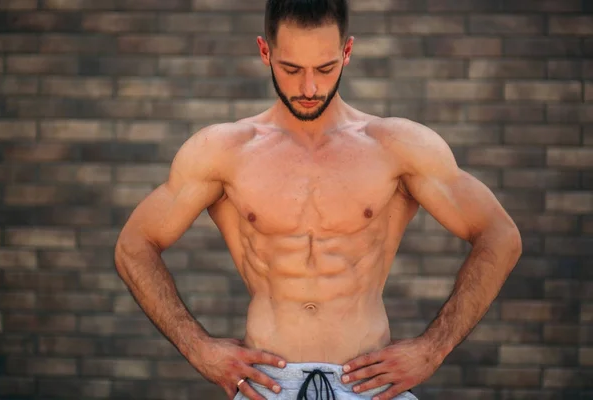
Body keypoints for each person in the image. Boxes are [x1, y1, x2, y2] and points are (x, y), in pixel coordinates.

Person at [114, 0, 522, 399]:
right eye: (290, 69)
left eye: (324, 68)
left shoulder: (396, 146)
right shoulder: (223, 151)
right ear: (264, 52)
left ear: (347, 52)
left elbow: (499, 235)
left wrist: (433, 350)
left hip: (370, 386)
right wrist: (198, 348)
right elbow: (134, 246)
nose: (309, 88)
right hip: (269, 386)